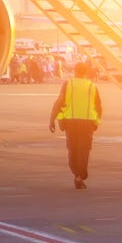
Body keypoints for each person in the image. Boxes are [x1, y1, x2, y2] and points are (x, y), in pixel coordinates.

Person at [49, 61, 103, 189]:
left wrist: (52, 119)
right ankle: (79, 175)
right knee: (84, 151)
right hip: (87, 123)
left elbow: (59, 102)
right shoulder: (92, 86)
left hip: (71, 122)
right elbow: (99, 106)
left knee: (72, 150)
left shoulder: (68, 84)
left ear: (75, 71)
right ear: (86, 72)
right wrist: (97, 121)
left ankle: (76, 173)